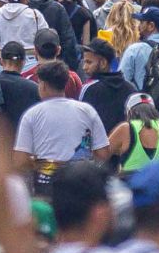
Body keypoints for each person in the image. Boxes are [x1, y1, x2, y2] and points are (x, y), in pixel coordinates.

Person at [11, 59, 110, 195]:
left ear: (43, 85)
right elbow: (103, 153)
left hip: (46, 186)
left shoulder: (31, 115)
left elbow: (19, 160)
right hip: (81, 184)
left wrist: (39, 164)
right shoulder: (87, 110)